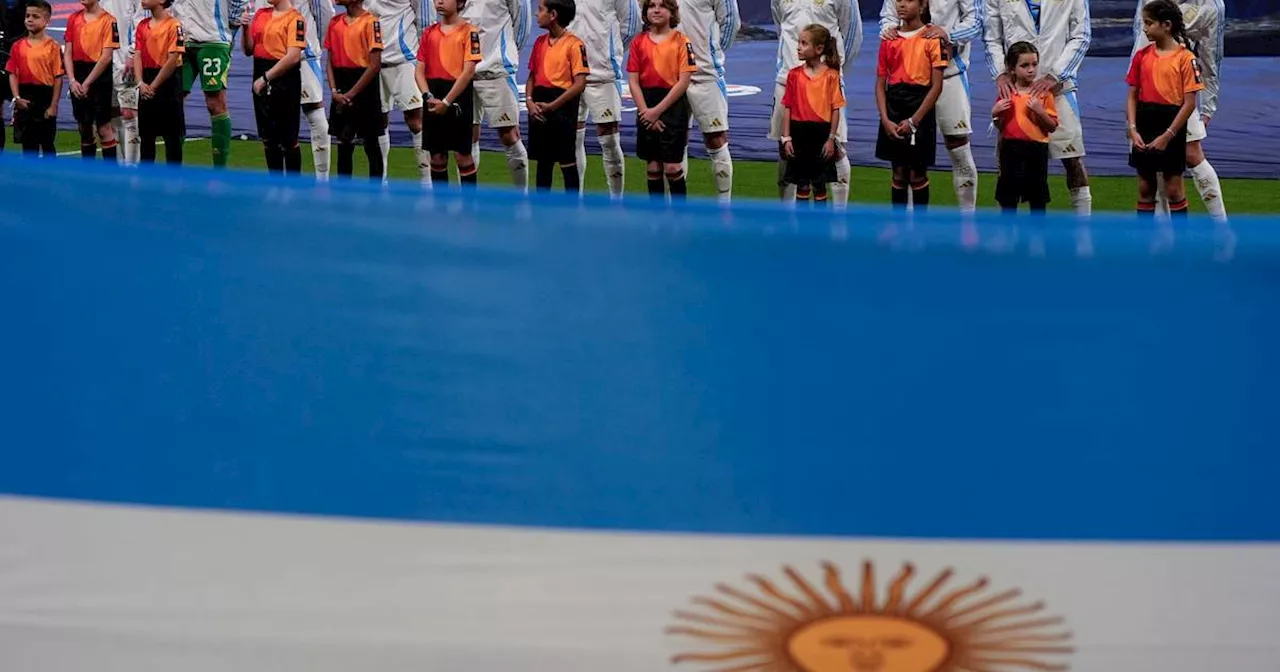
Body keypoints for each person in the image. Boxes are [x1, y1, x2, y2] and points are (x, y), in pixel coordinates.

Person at [983, 0, 1091, 216]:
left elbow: (1082, 35)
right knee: (1007, 165)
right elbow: (992, 38)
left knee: (1073, 161)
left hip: (1059, 90)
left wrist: (1056, 74)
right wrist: (1000, 73)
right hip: (1016, 94)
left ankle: (1083, 233)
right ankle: (1006, 236)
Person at [1131, 0, 1226, 223]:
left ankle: (1222, 227)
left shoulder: (1210, 6)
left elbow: (1211, 56)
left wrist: (1208, 107)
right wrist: (1134, 109)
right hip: (1146, 95)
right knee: (1151, 168)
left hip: (1180, 90)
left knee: (1193, 155)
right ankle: (1161, 236)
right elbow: (1140, 37)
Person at [880, 0, 980, 212]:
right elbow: (887, 18)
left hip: (949, 74)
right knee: (904, 154)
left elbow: (976, 21)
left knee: (958, 144)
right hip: (908, 82)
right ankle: (907, 227)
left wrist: (947, 34)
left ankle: (968, 221)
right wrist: (889, 31)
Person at [771, 0, 857, 207]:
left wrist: (835, 70)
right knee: (786, 150)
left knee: (836, 150)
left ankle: (838, 221)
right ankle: (789, 221)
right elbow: (780, 25)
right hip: (788, 79)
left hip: (825, 82)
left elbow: (852, 32)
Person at [1127, 0, 1201, 220]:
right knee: (1145, 188)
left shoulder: (1186, 59)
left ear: (1166, 25)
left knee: (1174, 189)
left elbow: (1189, 103)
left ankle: (1180, 246)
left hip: (1171, 125)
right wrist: (1132, 129)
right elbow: (1132, 95)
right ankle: (1145, 244)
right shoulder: (1141, 57)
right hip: (1144, 121)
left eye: (1149, 23)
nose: (1144, 28)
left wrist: (1168, 135)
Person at [874, 0, 945, 210]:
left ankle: (919, 230)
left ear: (922, 6)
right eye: (899, 0)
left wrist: (915, 121)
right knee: (898, 171)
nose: (901, 4)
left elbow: (936, 86)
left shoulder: (932, 39)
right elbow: (880, 84)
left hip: (920, 107)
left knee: (917, 172)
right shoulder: (889, 40)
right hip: (894, 105)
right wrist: (885, 120)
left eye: (909, 0)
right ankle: (898, 228)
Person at [254, 0, 335, 179]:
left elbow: (324, 12)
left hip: (302, 56)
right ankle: (280, 185)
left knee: (314, 112)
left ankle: (323, 181)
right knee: (272, 126)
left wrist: (313, 47)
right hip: (270, 58)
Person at [568, 0, 638, 197]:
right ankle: (576, 200)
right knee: (573, 137)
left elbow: (631, 25)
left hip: (602, 72)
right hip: (568, 73)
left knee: (609, 139)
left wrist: (610, 52)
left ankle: (616, 202)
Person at [625, 0, 693, 200]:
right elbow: (633, 81)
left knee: (672, 166)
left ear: (672, 12)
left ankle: (680, 217)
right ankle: (657, 219)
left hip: (672, 105)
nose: (656, 9)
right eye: (651, 5)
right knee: (653, 166)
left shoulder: (682, 41)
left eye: (662, 6)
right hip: (646, 104)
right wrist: (645, 111)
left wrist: (657, 111)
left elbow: (684, 81)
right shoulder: (638, 42)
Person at [461, 0, 532, 189]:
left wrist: (505, 54)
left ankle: (522, 200)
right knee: (466, 137)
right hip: (462, 70)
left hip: (496, 68)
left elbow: (522, 22)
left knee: (509, 134)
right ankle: (469, 201)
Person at [414, 0, 480, 186]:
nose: (439, 1)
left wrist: (447, 102)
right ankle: (440, 208)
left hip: (458, 98)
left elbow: (468, 71)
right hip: (433, 96)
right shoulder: (429, 32)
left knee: (463, 156)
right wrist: (427, 96)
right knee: (436, 157)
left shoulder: (469, 32)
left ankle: (468, 209)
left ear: (460, 2)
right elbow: (419, 70)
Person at [173, 0, 246, 167]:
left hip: (212, 39)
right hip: (180, 40)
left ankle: (219, 170)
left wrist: (229, 30)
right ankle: (173, 168)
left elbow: (239, 2)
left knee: (215, 103)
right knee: (175, 101)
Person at [678, 0, 737, 202]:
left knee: (716, 139)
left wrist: (711, 53)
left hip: (706, 74)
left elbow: (731, 22)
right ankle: (676, 208)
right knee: (675, 142)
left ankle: (724, 207)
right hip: (671, 75)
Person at [526, 0, 587, 192]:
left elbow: (580, 83)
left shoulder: (575, 45)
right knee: (543, 161)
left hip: (563, 106)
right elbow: (532, 76)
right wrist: (529, 102)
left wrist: (554, 105)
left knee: (567, 160)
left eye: (540, 10)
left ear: (553, 15)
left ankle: (571, 210)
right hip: (539, 103)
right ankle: (541, 210)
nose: (537, 14)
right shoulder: (539, 43)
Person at [780, 24, 844, 206]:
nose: (798, 47)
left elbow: (835, 109)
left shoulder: (831, 76)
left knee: (819, 184)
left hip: (821, 135)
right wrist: (787, 138)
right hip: (799, 134)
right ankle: (802, 229)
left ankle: (819, 227)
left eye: (804, 43)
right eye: (798, 42)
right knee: (801, 184)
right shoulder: (794, 75)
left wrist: (831, 139)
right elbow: (788, 107)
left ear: (819, 49)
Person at [365, 0, 427, 183]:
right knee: (378, 121)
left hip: (404, 59)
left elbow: (426, 18)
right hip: (371, 61)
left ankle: (427, 187)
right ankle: (380, 185)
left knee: (416, 121)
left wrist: (424, 54)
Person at [991, 41, 1057, 213]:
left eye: (1034, 64)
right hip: (1011, 150)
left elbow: (1052, 127)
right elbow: (1001, 126)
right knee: (1008, 199)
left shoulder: (1044, 94)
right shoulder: (1006, 94)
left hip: (1037, 150)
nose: (1031, 69)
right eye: (1025, 65)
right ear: (1012, 69)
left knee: (1037, 199)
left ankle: (1037, 236)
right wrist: (995, 113)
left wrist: (1040, 112)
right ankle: (1008, 235)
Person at [243, 0, 306, 174]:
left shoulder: (295, 19)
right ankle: (275, 186)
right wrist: (245, 28)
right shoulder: (261, 15)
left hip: (284, 80)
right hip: (260, 73)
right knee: (268, 137)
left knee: (288, 138)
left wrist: (266, 78)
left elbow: (293, 56)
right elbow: (249, 50)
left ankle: (293, 188)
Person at [325, 0, 384, 179]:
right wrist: (334, 91)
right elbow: (329, 60)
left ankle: (375, 194)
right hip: (341, 85)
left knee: (371, 142)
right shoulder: (334, 23)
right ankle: (342, 194)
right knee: (343, 142)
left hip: (364, 87)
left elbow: (375, 65)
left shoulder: (371, 22)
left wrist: (351, 94)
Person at [65, 0, 121, 160]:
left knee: (104, 127)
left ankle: (110, 175)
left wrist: (87, 82)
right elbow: (68, 52)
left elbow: (106, 56)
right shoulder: (73, 19)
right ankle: (88, 173)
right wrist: (72, 80)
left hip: (99, 78)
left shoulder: (109, 20)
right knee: (84, 127)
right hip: (78, 76)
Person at [6, 0, 62, 156]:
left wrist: (53, 106)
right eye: (27, 16)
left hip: (45, 97)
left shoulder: (53, 47)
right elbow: (12, 73)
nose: (30, 19)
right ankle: (30, 178)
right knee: (28, 144)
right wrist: (17, 98)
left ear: (47, 21)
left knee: (47, 143)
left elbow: (58, 77)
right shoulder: (17, 46)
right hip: (25, 97)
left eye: (35, 16)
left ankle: (50, 177)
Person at [134, 0, 185, 164]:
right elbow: (137, 54)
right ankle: (147, 180)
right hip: (146, 82)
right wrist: (140, 82)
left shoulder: (174, 25)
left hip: (168, 84)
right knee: (146, 137)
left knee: (172, 138)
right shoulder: (142, 25)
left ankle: (174, 181)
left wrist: (153, 86)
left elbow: (173, 59)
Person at [101, 0, 142, 163]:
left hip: (125, 59)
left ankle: (132, 167)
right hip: (103, 60)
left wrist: (133, 55)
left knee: (129, 112)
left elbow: (140, 22)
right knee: (111, 112)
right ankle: (117, 165)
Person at [0, 0, 29, 151]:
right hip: (1, 58)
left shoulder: (28, 5)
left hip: (23, 58)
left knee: (25, 107)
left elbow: (34, 23)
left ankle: (30, 161)